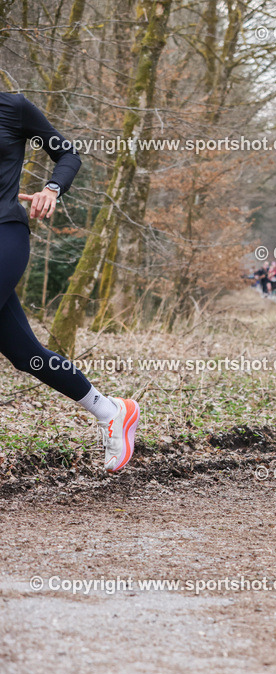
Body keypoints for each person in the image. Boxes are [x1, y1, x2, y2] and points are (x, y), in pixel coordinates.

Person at [2, 92, 139, 472]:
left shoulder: (13, 108)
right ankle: (111, 411)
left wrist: (51, 189)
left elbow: (68, 153)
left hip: (5, 234)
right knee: (25, 354)